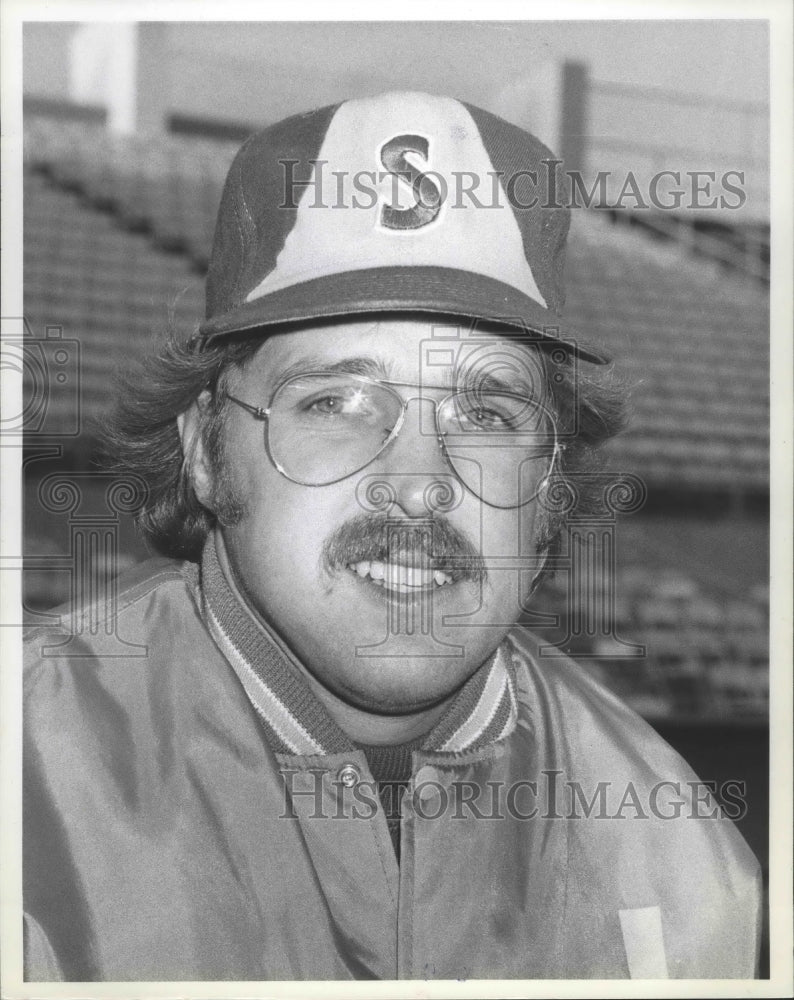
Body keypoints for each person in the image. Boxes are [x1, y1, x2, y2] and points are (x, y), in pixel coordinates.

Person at [23, 91, 760, 982]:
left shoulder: (684, 855)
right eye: (335, 402)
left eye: (486, 411)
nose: (418, 483)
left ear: (549, 482)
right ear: (207, 453)